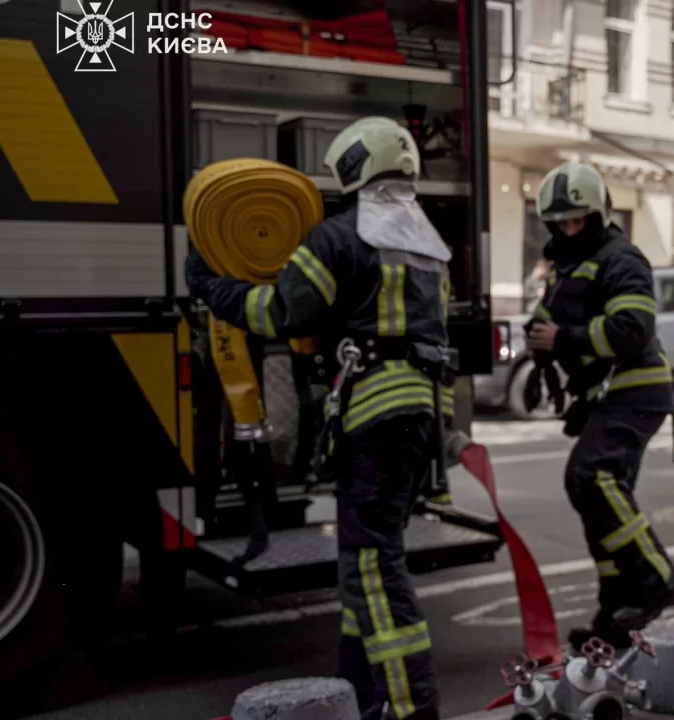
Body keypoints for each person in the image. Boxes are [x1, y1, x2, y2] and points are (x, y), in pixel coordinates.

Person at [186, 116, 454, 720]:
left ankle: (413, 708)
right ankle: (358, 690)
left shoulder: (338, 238)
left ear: (351, 169)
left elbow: (279, 310)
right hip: (416, 421)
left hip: (375, 420)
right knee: (362, 562)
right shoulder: (430, 244)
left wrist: (214, 288)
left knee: (372, 566)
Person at [524, 161, 674, 651]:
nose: (569, 229)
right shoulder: (569, 265)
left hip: (637, 389)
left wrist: (563, 339)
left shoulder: (622, 258)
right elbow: (547, 318)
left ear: (598, 216)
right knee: (595, 496)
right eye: (561, 223)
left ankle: (657, 581)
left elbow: (632, 330)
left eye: (578, 221)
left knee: (592, 476)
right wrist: (541, 358)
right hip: (609, 394)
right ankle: (616, 609)